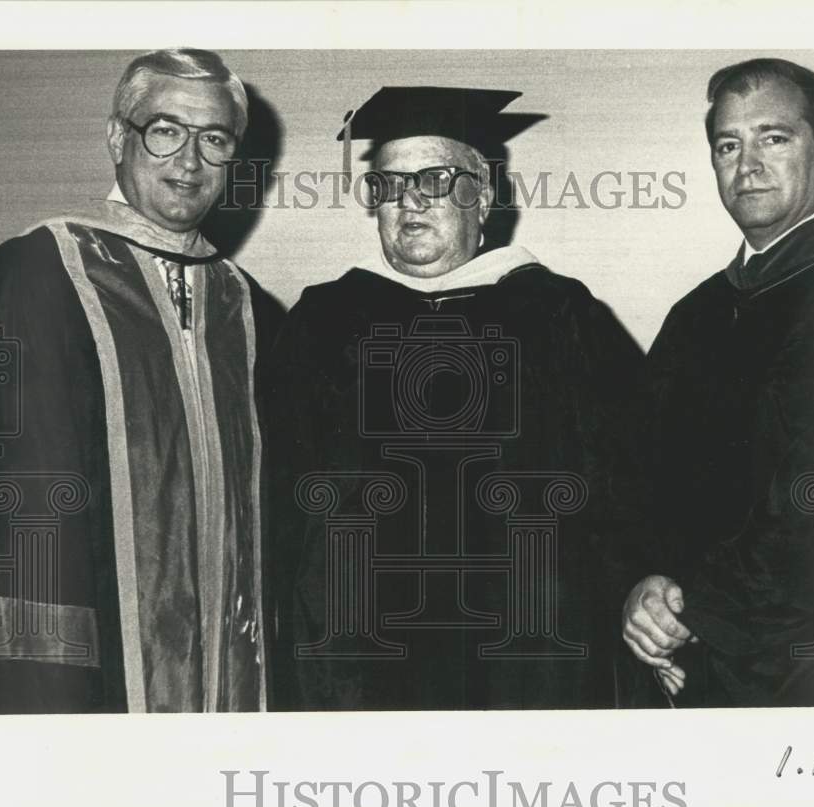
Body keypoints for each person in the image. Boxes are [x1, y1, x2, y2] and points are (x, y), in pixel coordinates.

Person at [265, 86, 651, 710]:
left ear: (484, 195)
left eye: (436, 178)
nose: (409, 199)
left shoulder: (558, 316)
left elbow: (626, 487)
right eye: (388, 183)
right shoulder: (323, 323)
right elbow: (280, 503)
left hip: (528, 652)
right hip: (360, 655)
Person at [0, 48, 281, 713]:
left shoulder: (252, 312)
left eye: (214, 139)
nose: (189, 161)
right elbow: (10, 529)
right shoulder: (34, 277)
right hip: (83, 695)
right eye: (165, 131)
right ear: (116, 137)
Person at [621, 58, 814, 707]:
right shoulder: (696, 313)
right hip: (702, 661)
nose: (747, 164)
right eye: (727, 145)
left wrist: (691, 616)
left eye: (774, 137)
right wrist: (644, 591)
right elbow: (639, 477)